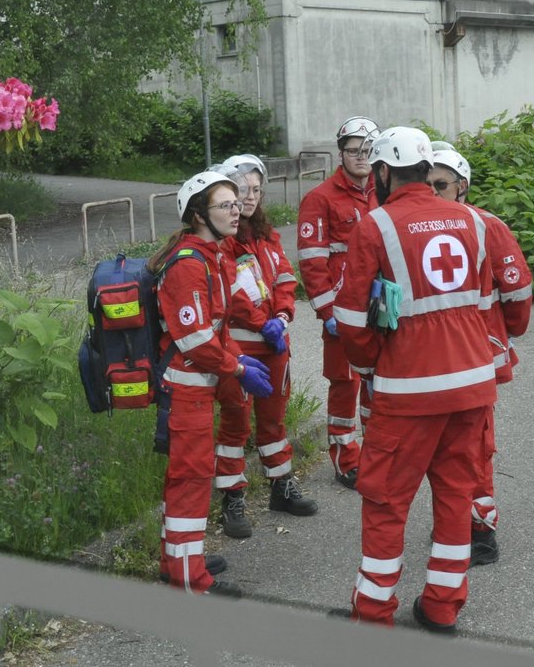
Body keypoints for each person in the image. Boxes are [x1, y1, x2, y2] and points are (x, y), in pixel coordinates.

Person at [329, 126, 497, 633]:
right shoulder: (476, 220)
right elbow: (493, 302)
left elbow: (353, 321)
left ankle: (374, 609)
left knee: (385, 500)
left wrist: (369, 367)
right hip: (471, 385)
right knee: (455, 497)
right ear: (429, 169)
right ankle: (443, 604)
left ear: (381, 172)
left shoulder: (375, 225)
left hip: (407, 390)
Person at [152, 170, 275, 597]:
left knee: (187, 476)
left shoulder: (212, 255)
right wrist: (238, 369)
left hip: (197, 386)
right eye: (225, 204)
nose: (237, 209)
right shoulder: (189, 264)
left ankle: (179, 559)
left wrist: (238, 358)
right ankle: (190, 579)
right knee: (191, 477)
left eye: (236, 202)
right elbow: (196, 339)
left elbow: (216, 329)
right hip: (186, 389)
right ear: (199, 213)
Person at [427, 144, 532, 568]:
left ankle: (480, 528)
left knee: (475, 444)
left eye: (441, 184)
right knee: (441, 447)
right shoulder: (417, 229)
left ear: (462, 186)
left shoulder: (488, 226)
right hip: (434, 358)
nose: (433, 192)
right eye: (426, 184)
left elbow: (517, 290)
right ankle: (453, 521)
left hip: (477, 355)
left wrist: (502, 334)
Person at [213, 153, 317, 539]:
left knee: (275, 419)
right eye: (242, 189)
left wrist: (284, 317)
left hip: (275, 343)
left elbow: (285, 280)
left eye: (256, 189)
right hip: (240, 349)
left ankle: (281, 486)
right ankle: (233, 498)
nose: (250, 197)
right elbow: (232, 296)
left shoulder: (267, 237)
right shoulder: (222, 241)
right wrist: (263, 323)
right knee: (236, 423)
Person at [295, 115, 380, 490]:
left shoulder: (387, 191)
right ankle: (347, 460)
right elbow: (312, 262)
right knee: (344, 386)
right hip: (342, 315)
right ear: (340, 153)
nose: (360, 157)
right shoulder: (320, 199)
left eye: (366, 150)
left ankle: (377, 456)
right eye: (352, 150)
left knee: (379, 386)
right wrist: (328, 311)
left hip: (381, 312)